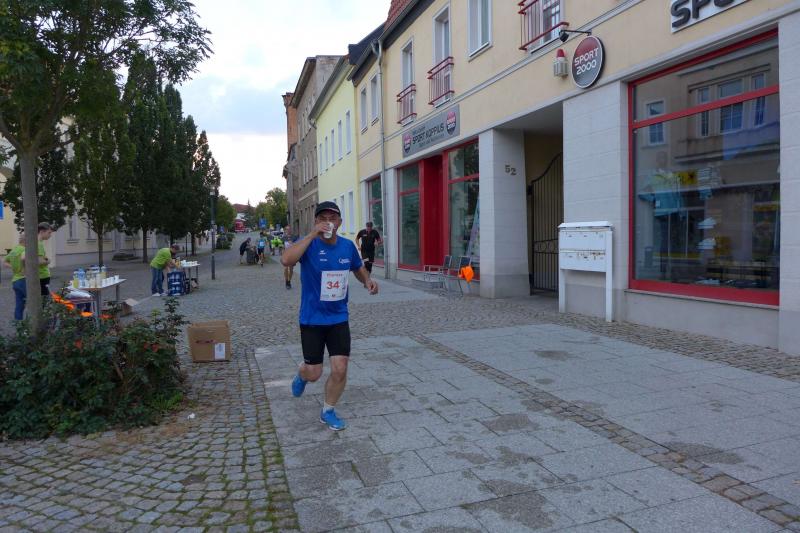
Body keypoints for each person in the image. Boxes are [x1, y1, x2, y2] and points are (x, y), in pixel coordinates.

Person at [281, 201, 379, 431]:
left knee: (340, 368)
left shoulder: (347, 246)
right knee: (314, 372)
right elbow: (286, 260)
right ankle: (302, 374)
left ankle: (328, 411)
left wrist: (367, 281)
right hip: (312, 318)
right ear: (316, 222)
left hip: (338, 318)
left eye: (332, 218)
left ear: (339, 222)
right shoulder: (309, 244)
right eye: (323, 218)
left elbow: (357, 268)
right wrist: (311, 235)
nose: (328, 222)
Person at [4, 234, 27, 320]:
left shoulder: (14, 250)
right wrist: (24, 269)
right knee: (32, 303)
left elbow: (4, 261)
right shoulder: (24, 250)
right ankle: (32, 324)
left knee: (19, 305)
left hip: (15, 280)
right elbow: (23, 258)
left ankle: (18, 324)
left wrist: (13, 267)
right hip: (23, 279)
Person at [36, 222, 53, 297]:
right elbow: (39, 261)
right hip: (42, 275)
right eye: (49, 233)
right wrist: (48, 261)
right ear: (42, 232)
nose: (50, 235)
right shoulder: (39, 244)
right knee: (44, 298)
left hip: (41, 275)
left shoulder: (38, 243)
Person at [282, 225, 300, 289]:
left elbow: (298, 245)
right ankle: (286, 281)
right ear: (285, 230)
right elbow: (281, 246)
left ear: (291, 230)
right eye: (287, 229)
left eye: (289, 229)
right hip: (286, 255)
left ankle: (289, 281)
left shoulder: (294, 237)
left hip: (292, 255)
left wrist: (293, 244)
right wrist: (282, 252)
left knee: (291, 269)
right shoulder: (283, 238)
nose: (288, 230)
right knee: (286, 268)